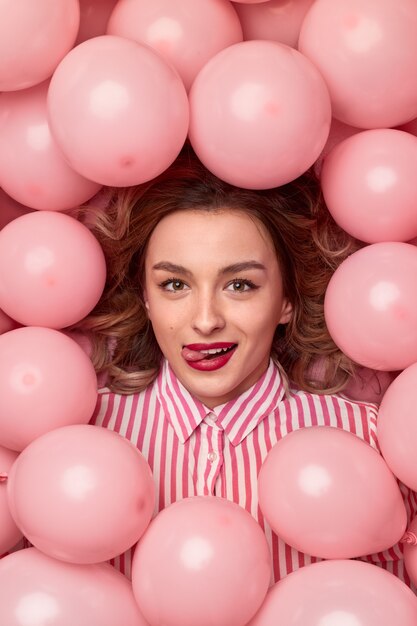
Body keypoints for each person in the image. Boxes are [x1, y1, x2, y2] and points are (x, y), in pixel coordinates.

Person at [72, 143, 416, 585]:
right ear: (146, 297)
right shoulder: (80, 436)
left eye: (239, 284)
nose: (206, 320)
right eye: (175, 284)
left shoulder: (376, 447)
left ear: (287, 300)